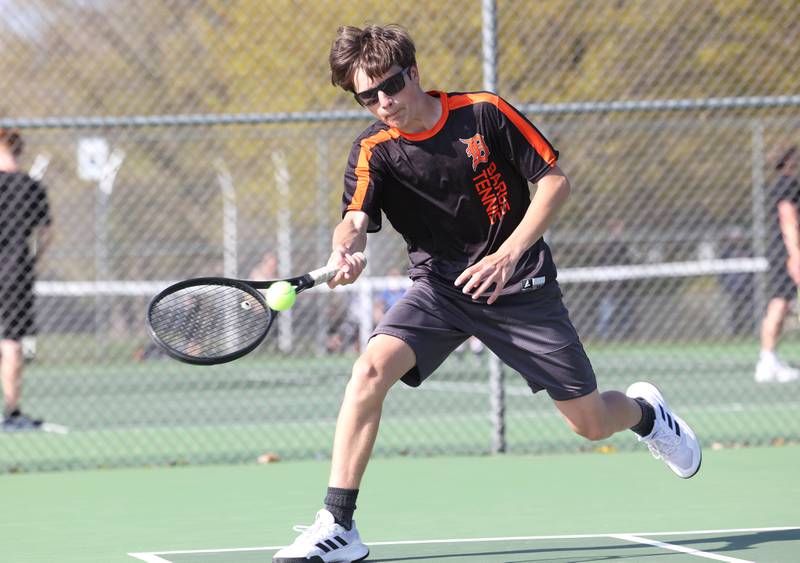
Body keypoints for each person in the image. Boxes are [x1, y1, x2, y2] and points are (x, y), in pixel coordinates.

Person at [272, 25, 702, 563]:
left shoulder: (485, 113)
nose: (384, 103)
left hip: (521, 288)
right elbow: (354, 218)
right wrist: (345, 252)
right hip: (441, 290)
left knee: (590, 424)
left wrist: (509, 253)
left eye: (391, 86)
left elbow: (554, 182)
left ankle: (645, 413)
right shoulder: (373, 151)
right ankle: (338, 525)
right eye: (368, 96)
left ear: (415, 74)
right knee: (369, 370)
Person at [0, 128, 53, 431]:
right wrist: (33, 259)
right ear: (18, 151)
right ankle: (12, 411)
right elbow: (46, 232)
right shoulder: (31, 187)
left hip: (15, 270)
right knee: (12, 342)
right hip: (16, 271)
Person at [754, 142, 800, 383]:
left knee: (780, 304)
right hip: (785, 253)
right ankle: (767, 360)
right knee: (779, 304)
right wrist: (795, 254)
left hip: (783, 253)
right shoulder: (788, 184)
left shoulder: (784, 184)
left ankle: (769, 359)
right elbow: (788, 218)